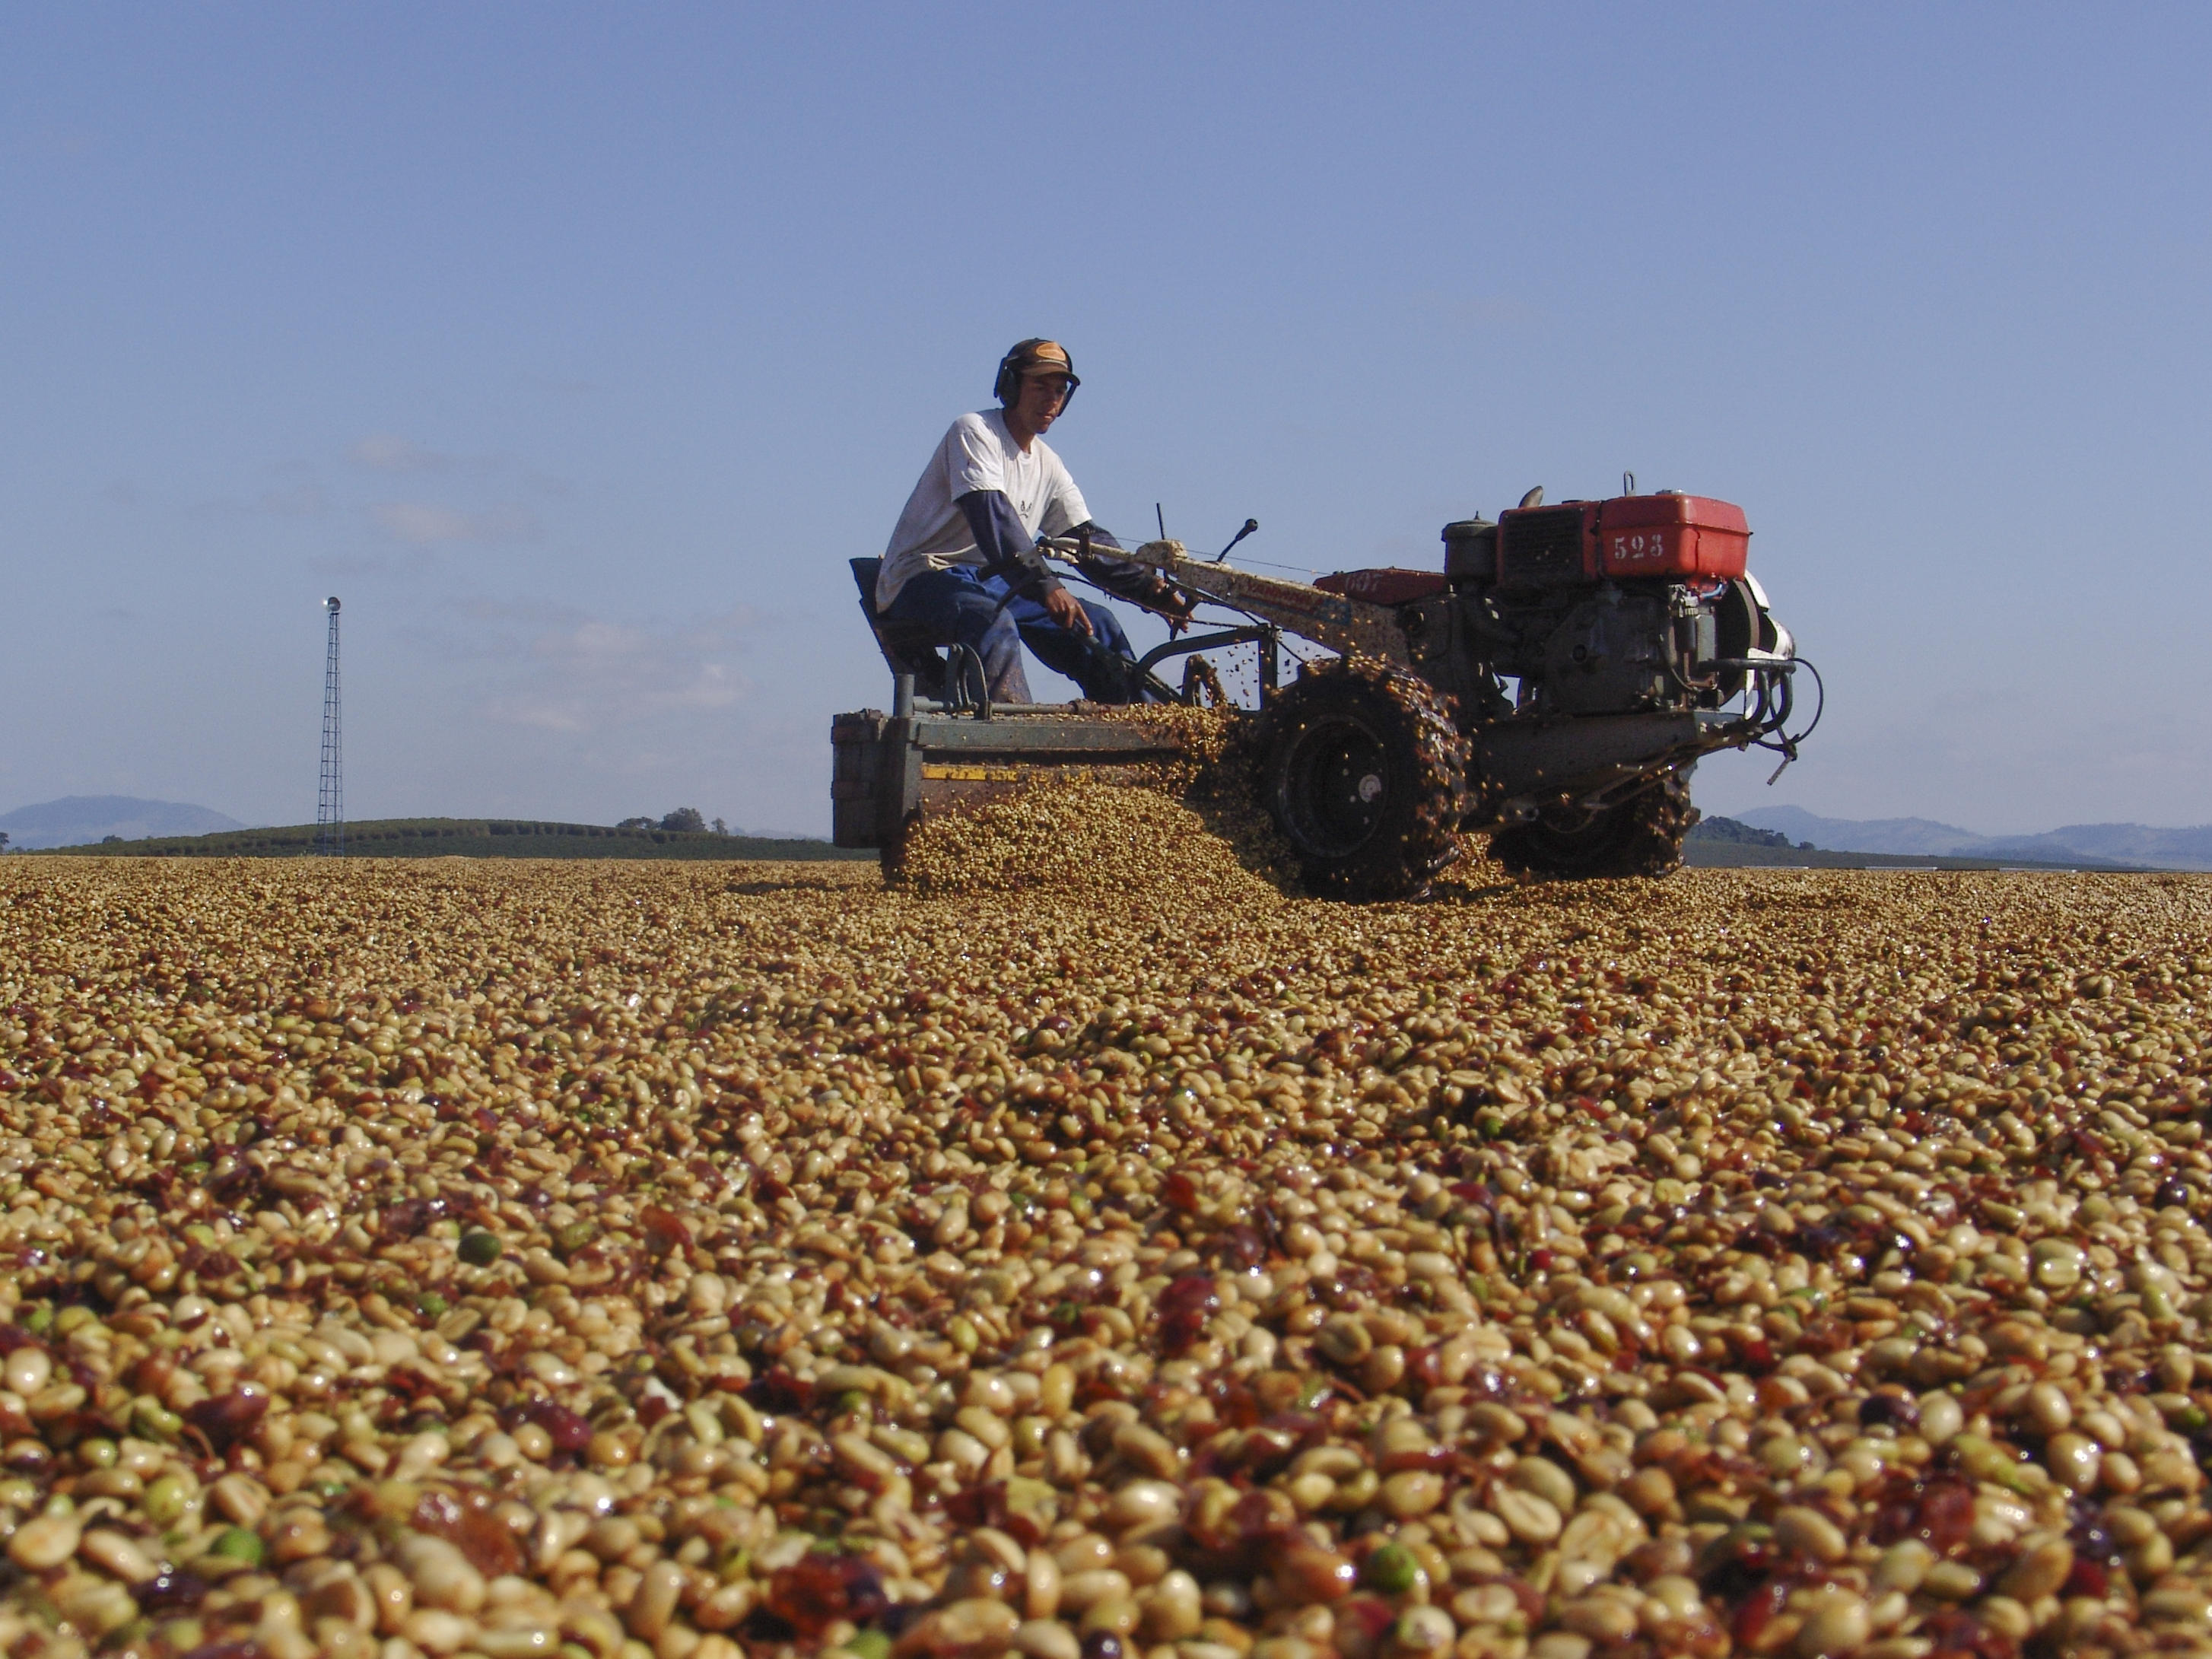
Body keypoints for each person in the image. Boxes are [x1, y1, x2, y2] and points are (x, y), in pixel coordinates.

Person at [876, 338, 1192, 703]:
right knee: (993, 623)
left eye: (1059, 391)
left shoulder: (1048, 463)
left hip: (997, 582)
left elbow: (1085, 541)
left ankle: (1145, 735)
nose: (1051, 399)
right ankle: (1012, 740)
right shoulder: (974, 432)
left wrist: (1150, 590)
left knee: (1098, 625)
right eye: (1039, 387)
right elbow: (993, 519)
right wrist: (1046, 585)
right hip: (925, 576)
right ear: (1011, 387)